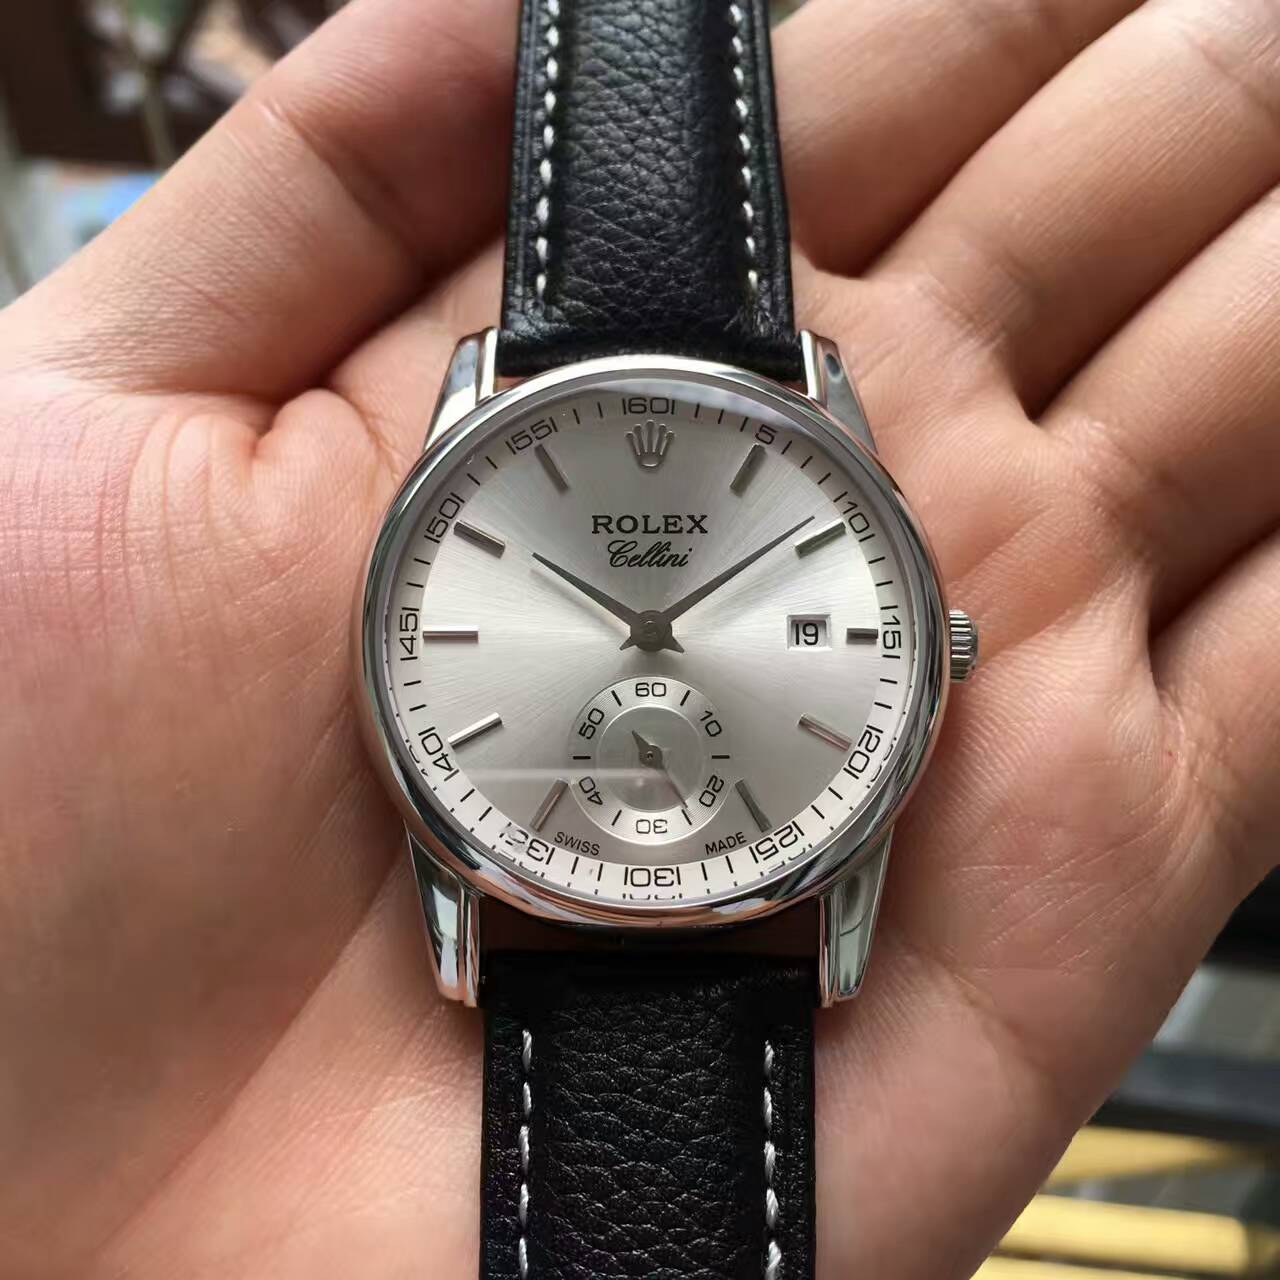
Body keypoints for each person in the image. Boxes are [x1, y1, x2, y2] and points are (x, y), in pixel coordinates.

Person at [1, 0, 1277, 1274]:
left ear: (937, 643)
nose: (656, 633)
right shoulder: (544, 404)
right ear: (939, 643)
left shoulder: (693, 410)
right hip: (562, 857)